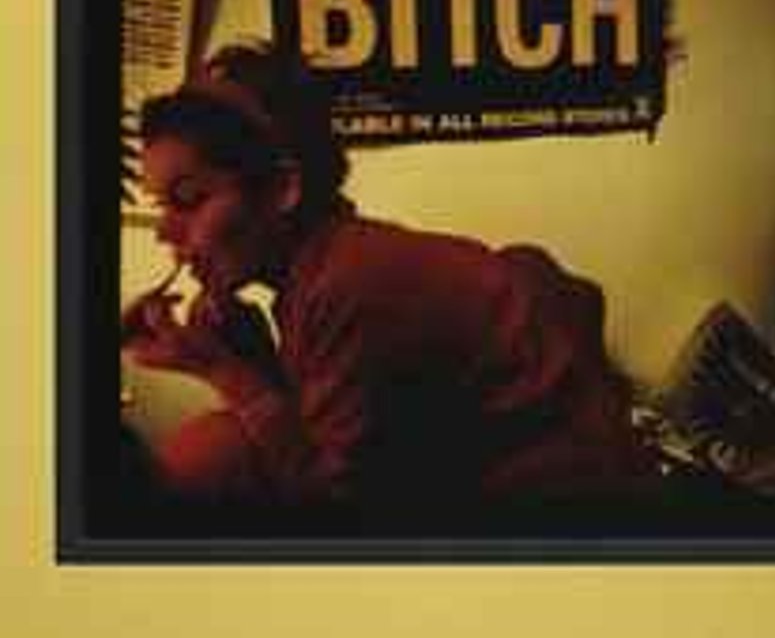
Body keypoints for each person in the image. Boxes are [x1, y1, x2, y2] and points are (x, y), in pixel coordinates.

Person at [121, 41, 654, 532]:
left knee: (207, 459)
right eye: (163, 206)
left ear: (282, 188)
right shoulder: (318, 267)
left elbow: (341, 513)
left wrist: (223, 370)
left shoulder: (349, 283)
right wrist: (245, 352)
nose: (166, 231)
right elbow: (326, 428)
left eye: (189, 199)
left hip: (568, 519)